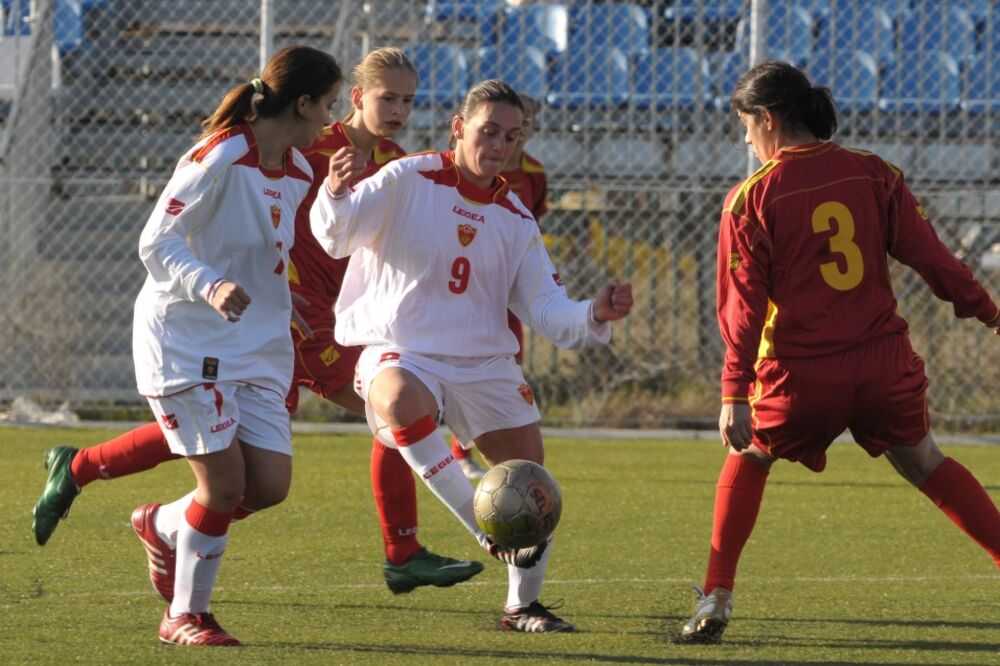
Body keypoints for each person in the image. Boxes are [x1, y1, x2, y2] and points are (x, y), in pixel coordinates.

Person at [31, 48, 483, 597]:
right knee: (379, 411)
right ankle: (399, 552)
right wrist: (222, 284)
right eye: (386, 97)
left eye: (408, 99)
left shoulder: (383, 160)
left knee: (248, 460)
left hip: (304, 320)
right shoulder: (303, 149)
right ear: (350, 100)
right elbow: (214, 230)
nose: (398, 109)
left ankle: (104, 483)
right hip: (289, 316)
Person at [680, 60, 1000, 644]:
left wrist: (733, 391)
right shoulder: (874, 174)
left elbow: (743, 310)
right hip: (882, 364)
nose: (744, 137)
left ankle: (716, 598)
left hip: (803, 376)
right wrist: (988, 311)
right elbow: (935, 259)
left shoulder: (752, 197)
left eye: (745, 124)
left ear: (768, 119)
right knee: (926, 461)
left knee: (749, 456)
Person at [311, 78, 633, 633]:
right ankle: (483, 529)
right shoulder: (407, 176)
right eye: (489, 131)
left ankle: (522, 607)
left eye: (512, 136)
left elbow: (547, 307)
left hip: (483, 364)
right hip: (402, 349)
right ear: (459, 128)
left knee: (531, 484)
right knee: (398, 396)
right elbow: (337, 237)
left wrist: (593, 314)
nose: (500, 145)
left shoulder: (514, 215)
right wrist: (336, 193)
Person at [128, 45, 344, 646]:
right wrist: (212, 284)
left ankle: (165, 523)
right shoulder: (221, 154)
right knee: (223, 486)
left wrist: (287, 304)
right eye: (327, 105)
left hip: (255, 346)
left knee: (267, 487)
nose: (332, 118)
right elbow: (156, 241)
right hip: (185, 339)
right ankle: (184, 616)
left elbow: (275, 252)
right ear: (301, 103)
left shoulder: (300, 172)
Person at [448, 92, 549, 481]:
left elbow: (530, 221)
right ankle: (459, 452)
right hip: (466, 287)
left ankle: (470, 447)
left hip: (505, 284)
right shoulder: (447, 173)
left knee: (507, 365)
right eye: (495, 130)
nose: (509, 140)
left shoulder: (534, 173)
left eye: (519, 129)